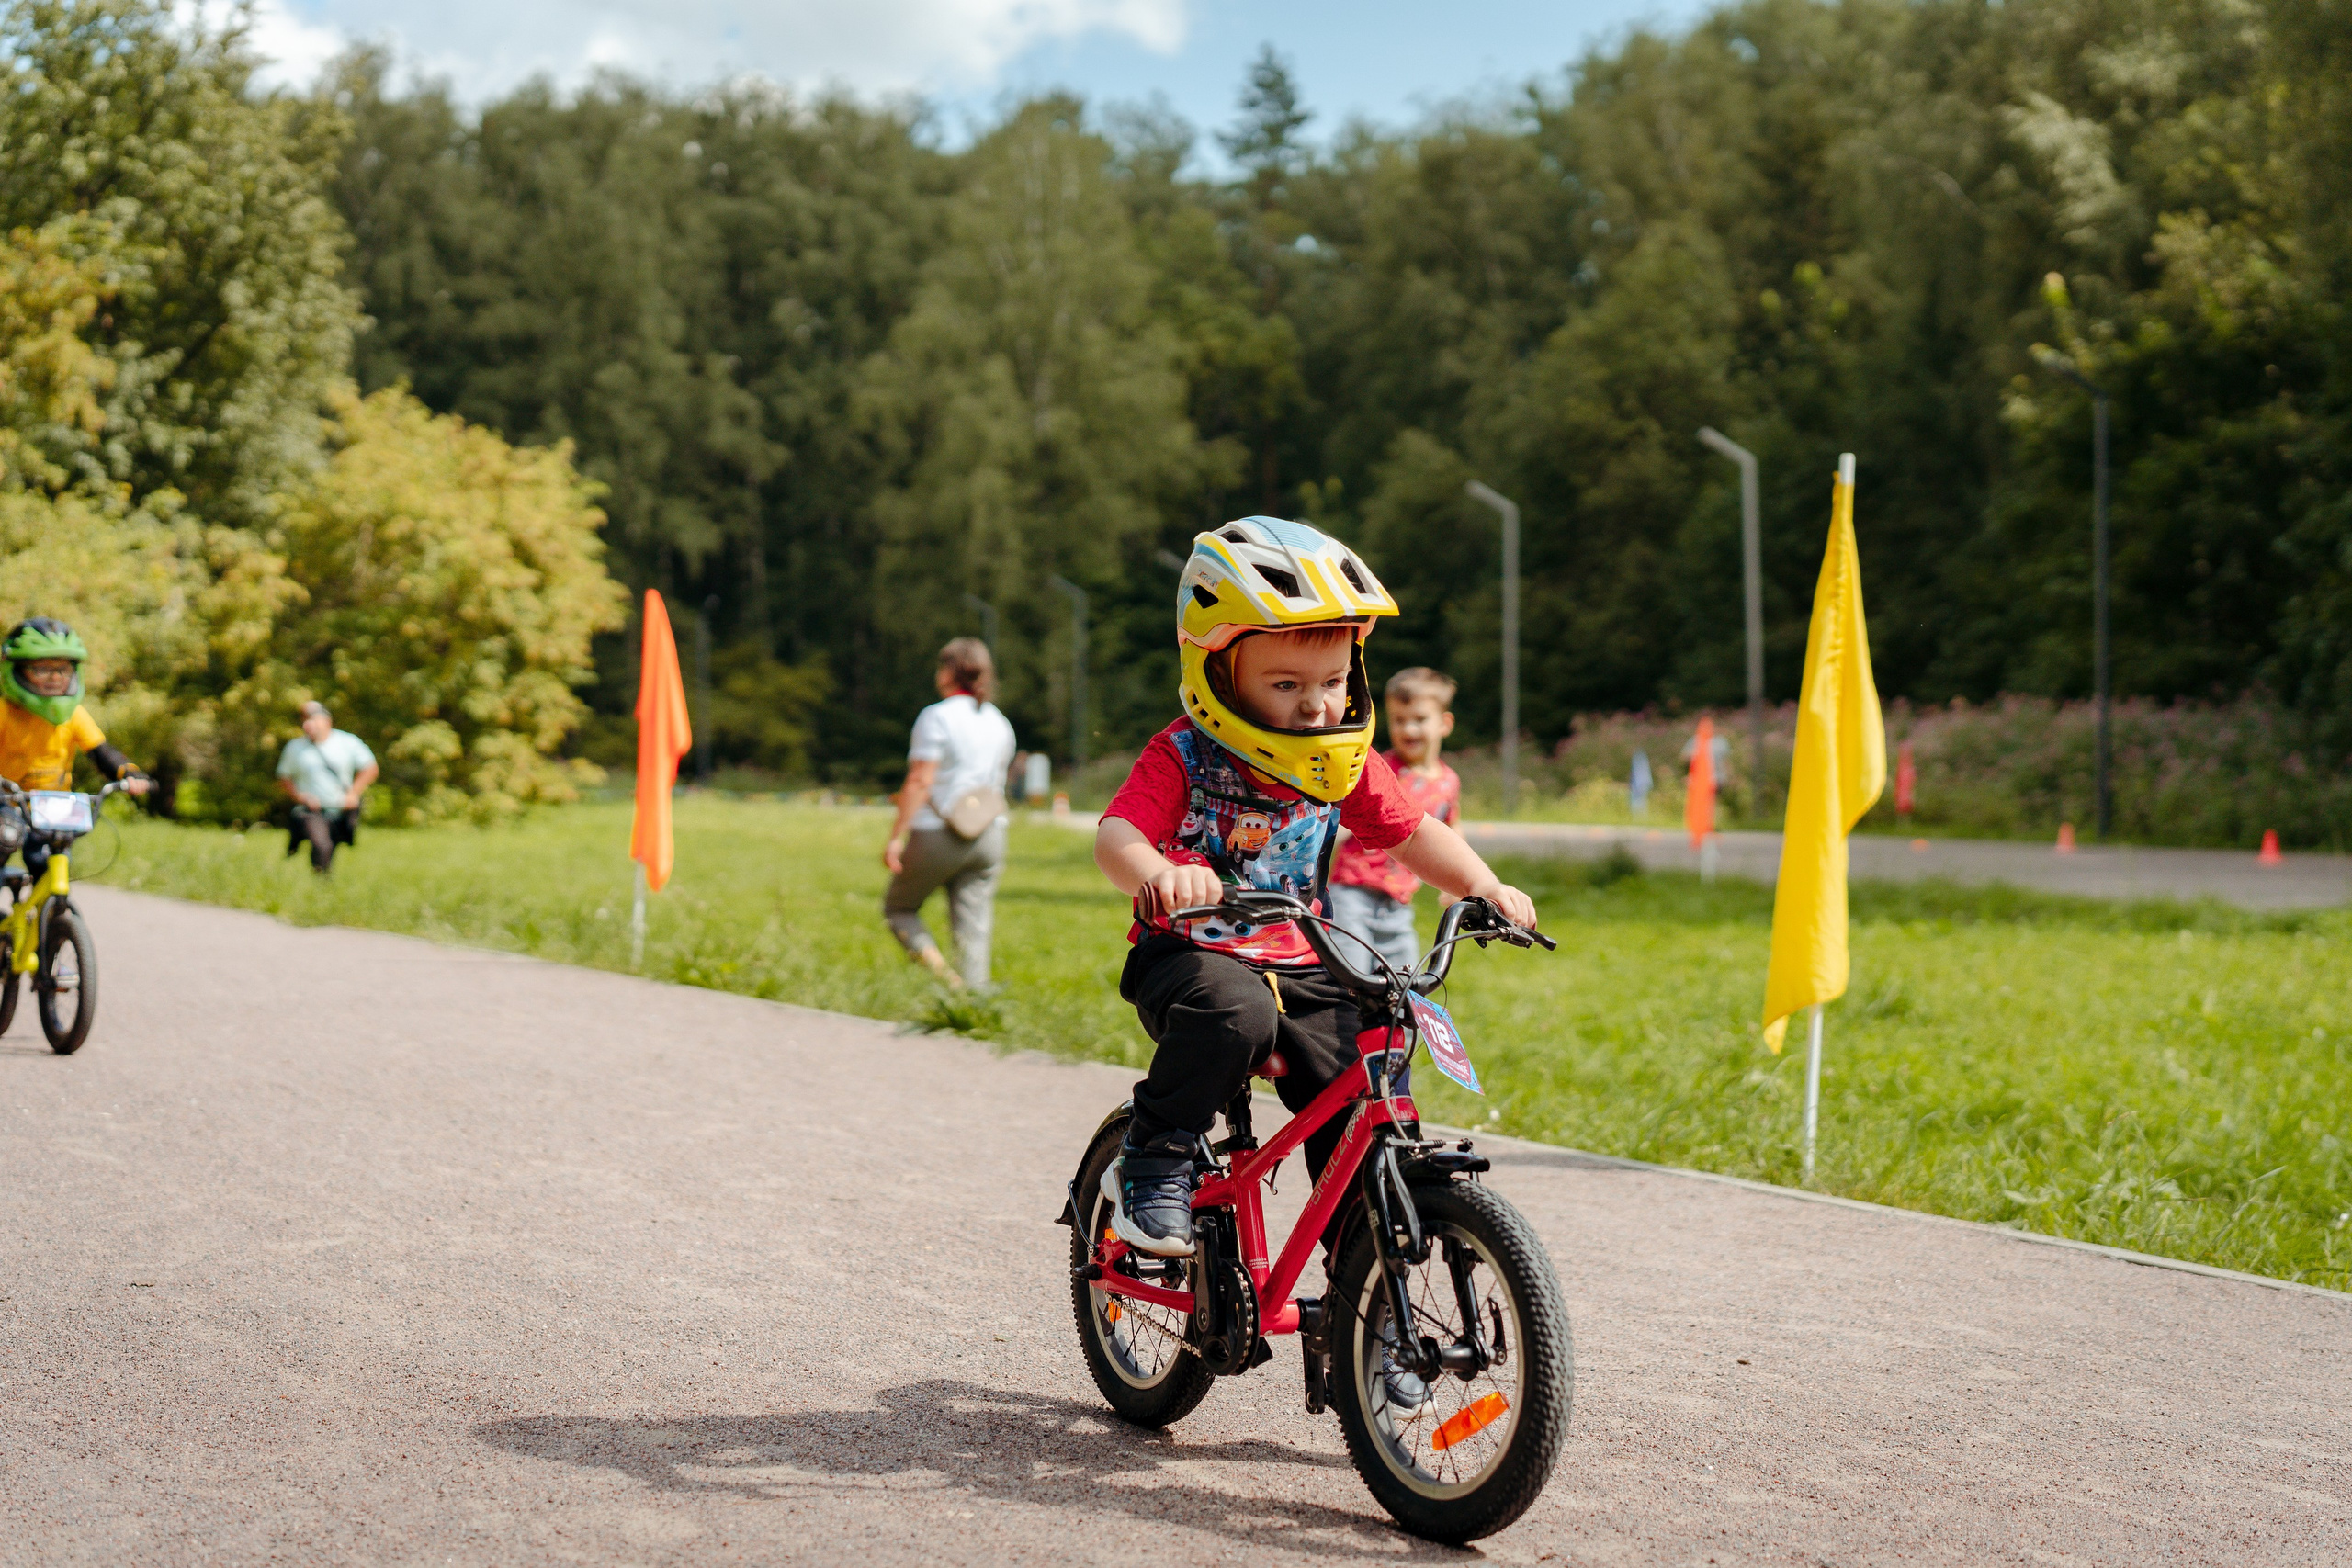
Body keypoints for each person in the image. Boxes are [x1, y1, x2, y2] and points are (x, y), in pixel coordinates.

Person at [1092, 518, 1537, 1266]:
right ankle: (1154, 1156)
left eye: (1333, 682)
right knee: (1236, 1013)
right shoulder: (1184, 754)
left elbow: (1412, 830)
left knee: (1372, 1049)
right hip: (1190, 954)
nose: (1316, 706)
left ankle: (1366, 1272)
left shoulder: (1342, 761)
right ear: (1220, 674)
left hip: (1303, 957)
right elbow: (1116, 834)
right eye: (1287, 684)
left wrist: (1482, 883)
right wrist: (1158, 874)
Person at [883, 638, 1018, 989]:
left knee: (899, 909)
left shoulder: (936, 716)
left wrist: (896, 836)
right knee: (974, 926)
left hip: (938, 834)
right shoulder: (1000, 723)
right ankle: (974, 1003)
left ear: (949, 672)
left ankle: (947, 981)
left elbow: (920, 780)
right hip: (990, 834)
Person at [1326, 667, 1462, 981]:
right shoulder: (1381, 771)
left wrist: (1459, 884)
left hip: (1399, 901)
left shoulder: (1448, 781)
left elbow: (1452, 829)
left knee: (1406, 982)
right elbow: (1344, 819)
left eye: (1419, 719)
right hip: (1352, 893)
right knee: (1353, 976)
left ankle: (1392, 1030)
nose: (1408, 729)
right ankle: (1346, 1029)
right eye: (1399, 720)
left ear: (1445, 724)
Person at [0, 619, 152, 877]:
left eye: (63, 669)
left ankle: (51, 911)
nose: (55, 678)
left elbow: (101, 752)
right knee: (4, 838)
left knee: (51, 861)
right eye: (41, 669)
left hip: (53, 804)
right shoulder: (5, 711)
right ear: (16, 670)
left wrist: (130, 773)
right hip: (8, 800)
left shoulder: (73, 716)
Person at [277, 701, 379, 874]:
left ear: (327, 721)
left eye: (313, 719)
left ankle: (322, 878)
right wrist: (300, 797)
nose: (307, 724)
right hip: (311, 810)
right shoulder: (295, 747)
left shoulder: (348, 742)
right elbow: (284, 777)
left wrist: (354, 793)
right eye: (304, 720)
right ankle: (321, 883)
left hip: (340, 809)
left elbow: (371, 768)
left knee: (333, 844)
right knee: (321, 844)